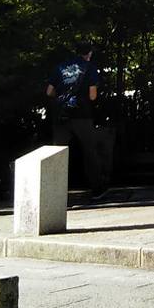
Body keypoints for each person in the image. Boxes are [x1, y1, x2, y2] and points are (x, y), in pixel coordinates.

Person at [46, 42, 109, 197]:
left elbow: (49, 92)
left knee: (58, 153)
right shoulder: (90, 68)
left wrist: (63, 101)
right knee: (89, 150)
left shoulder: (60, 67)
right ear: (89, 53)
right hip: (82, 115)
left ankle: (53, 192)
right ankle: (97, 188)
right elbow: (92, 95)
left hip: (61, 115)